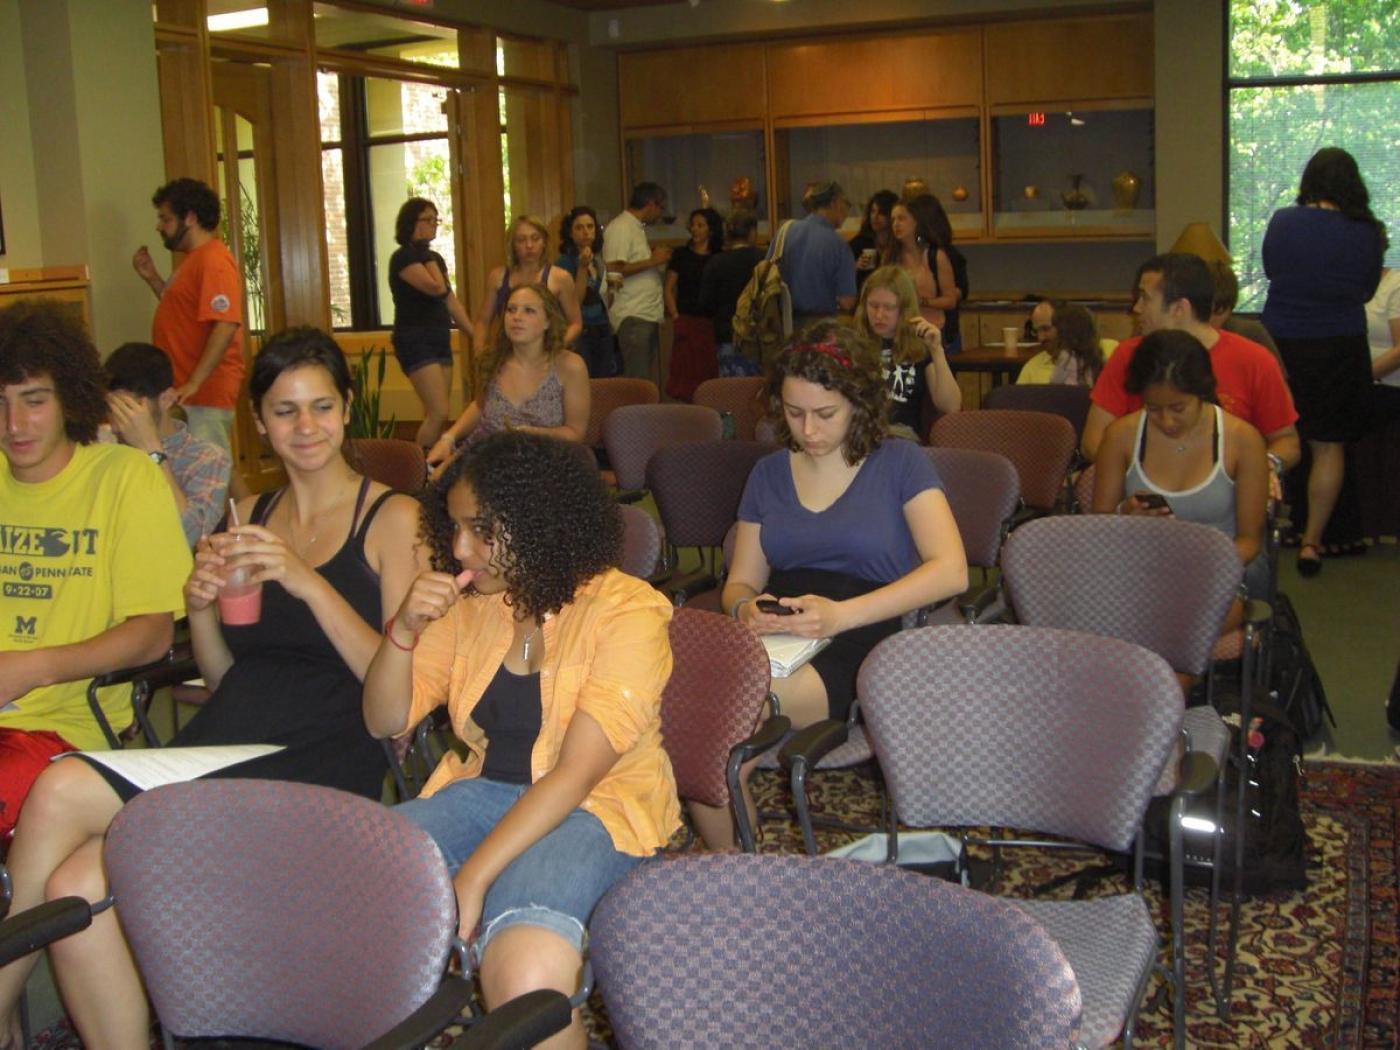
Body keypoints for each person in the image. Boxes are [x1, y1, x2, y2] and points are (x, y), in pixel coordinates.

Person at [0, 326, 425, 1050]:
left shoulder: (393, 519)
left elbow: (401, 694)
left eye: (320, 407)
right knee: (76, 885)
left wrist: (305, 581)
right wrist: (200, 606)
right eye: (285, 411)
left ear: (346, 409)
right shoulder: (252, 513)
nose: (305, 428)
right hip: (230, 737)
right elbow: (229, 675)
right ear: (258, 421)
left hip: (323, 749)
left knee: (64, 787)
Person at [364, 431, 680, 1049]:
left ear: (538, 522)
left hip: (598, 807)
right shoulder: (471, 605)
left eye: (480, 530)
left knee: (525, 966)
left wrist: (473, 878)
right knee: (356, 882)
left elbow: (574, 776)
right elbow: (383, 720)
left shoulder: (627, 612)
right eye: (454, 528)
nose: (460, 548)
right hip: (485, 794)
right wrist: (402, 630)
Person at [710, 324, 967, 849]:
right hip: (786, 629)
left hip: (866, 630)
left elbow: (951, 569)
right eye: (792, 411)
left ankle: (737, 871)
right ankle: (739, 867)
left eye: (825, 414)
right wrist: (743, 609)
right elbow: (741, 581)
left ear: (859, 402)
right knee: (699, 712)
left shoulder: (898, 462)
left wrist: (842, 615)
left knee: (723, 719)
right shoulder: (768, 474)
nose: (807, 429)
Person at [0, 301, 190, 839]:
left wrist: (29, 668)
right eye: (0, 403)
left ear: (69, 398)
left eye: (34, 401)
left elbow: (153, 635)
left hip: (58, 730)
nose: (14, 425)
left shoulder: (123, 479)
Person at [1261, 147, 1386, 577]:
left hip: (1284, 340)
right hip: (1339, 342)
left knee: (1279, 435)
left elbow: (1272, 270)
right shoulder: (1366, 231)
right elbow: (1368, 291)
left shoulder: (1283, 221)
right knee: (1328, 445)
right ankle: (1313, 541)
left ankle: (1271, 530)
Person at [1092, 329, 1269, 627]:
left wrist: (1194, 568)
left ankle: (1167, 669)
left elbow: (1249, 541)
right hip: (1140, 568)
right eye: (1153, 409)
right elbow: (1098, 525)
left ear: (1200, 393)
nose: (1167, 421)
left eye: (1178, 408)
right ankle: (1167, 670)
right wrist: (1125, 515)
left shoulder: (1242, 440)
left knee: (1181, 625)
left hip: (1216, 570)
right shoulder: (1121, 435)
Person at [1082, 253, 1300, 486]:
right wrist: (1142, 478)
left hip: (1228, 494)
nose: (1136, 308)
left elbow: (1287, 441)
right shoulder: (1128, 355)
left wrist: (1264, 466)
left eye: (1145, 298)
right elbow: (1092, 441)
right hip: (1143, 497)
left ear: (1179, 308)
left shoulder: (1254, 360)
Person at [131, 177, 245, 456]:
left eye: (165, 219)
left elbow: (226, 323)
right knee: (216, 468)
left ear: (190, 218)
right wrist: (153, 279)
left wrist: (194, 382)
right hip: (187, 390)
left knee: (207, 473)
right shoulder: (193, 259)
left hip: (203, 393)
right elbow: (183, 313)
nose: (160, 226)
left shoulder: (213, 260)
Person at [427, 285, 589, 476]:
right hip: (486, 457)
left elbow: (576, 432)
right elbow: (480, 406)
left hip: (544, 461)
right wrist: (448, 438)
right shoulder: (492, 360)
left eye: (529, 311)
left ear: (548, 321)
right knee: (437, 480)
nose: (516, 317)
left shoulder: (570, 366)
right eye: (511, 310)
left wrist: (532, 434)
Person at [103, 340, 231, 546]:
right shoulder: (104, 445)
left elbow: (191, 538)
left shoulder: (206, 458)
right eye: (111, 409)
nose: (118, 425)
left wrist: (152, 450)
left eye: (129, 409)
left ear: (166, 399)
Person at [387, 197, 474, 451]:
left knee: (439, 413)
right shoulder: (403, 258)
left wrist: (473, 333)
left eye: (436, 219)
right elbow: (436, 287)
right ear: (410, 222)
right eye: (428, 219)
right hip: (415, 338)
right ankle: (420, 469)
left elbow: (450, 300)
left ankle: (433, 466)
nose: (434, 225)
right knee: (439, 411)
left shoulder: (432, 257)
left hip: (438, 336)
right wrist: (429, 259)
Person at [854, 266, 960, 440]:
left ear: (904, 309)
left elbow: (951, 406)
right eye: (873, 306)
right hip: (861, 436)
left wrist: (937, 351)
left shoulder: (920, 348)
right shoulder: (853, 345)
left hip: (902, 439)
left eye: (888, 307)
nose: (879, 315)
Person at [476, 216, 582, 353]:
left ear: (544, 242)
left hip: (548, 356)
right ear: (513, 245)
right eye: (521, 240)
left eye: (535, 238)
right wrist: (479, 354)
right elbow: (482, 322)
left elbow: (576, 324)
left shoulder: (560, 277)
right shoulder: (498, 277)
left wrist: (554, 349)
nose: (529, 246)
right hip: (508, 354)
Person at [604, 182, 673, 385]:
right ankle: (635, 417)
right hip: (633, 315)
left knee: (645, 381)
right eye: (660, 207)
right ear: (650, 204)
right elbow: (614, 271)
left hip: (644, 313)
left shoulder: (636, 228)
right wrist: (653, 260)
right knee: (637, 382)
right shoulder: (621, 227)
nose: (660, 213)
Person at [772, 181, 857, 330]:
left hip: (781, 326)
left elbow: (769, 275)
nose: (846, 211)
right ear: (834, 203)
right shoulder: (839, 246)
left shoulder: (784, 231)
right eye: (846, 204)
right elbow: (847, 302)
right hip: (820, 328)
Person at [663, 206, 724, 401]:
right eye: (693, 225)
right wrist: (675, 315)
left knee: (707, 373)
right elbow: (668, 288)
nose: (695, 229)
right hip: (686, 319)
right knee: (684, 374)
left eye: (701, 225)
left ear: (711, 229)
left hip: (709, 323)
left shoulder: (718, 257)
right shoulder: (681, 254)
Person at [698, 208, 765, 378]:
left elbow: (705, 304)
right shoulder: (764, 260)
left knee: (730, 392)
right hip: (759, 336)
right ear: (752, 232)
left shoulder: (716, 262)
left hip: (726, 334)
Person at [885, 194, 960, 337]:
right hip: (901, 332)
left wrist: (922, 301)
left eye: (902, 218)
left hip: (933, 330)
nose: (896, 224)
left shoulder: (935, 256)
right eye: (893, 220)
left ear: (916, 222)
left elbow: (950, 300)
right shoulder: (891, 257)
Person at [555, 206, 616, 378]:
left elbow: (606, 300)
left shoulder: (598, 261)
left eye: (590, 227)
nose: (586, 232)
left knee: (605, 383)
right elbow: (574, 302)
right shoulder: (565, 262)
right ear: (570, 232)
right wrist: (582, 268)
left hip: (603, 327)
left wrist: (612, 288)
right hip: (580, 332)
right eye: (579, 228)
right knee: (584, 381)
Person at [1207, 261, 1282, 364]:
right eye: (1203, 310)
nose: (1210, 320)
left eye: (1218, 312)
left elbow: (1276, 376)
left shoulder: (1249, 332)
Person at [849, 189, 898, 293]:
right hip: (864, 294)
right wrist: (855, 266)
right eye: (873, 211)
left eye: (881, 213)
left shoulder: (898, 243)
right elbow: (841, 273)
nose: (875, 217)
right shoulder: (860, 242)